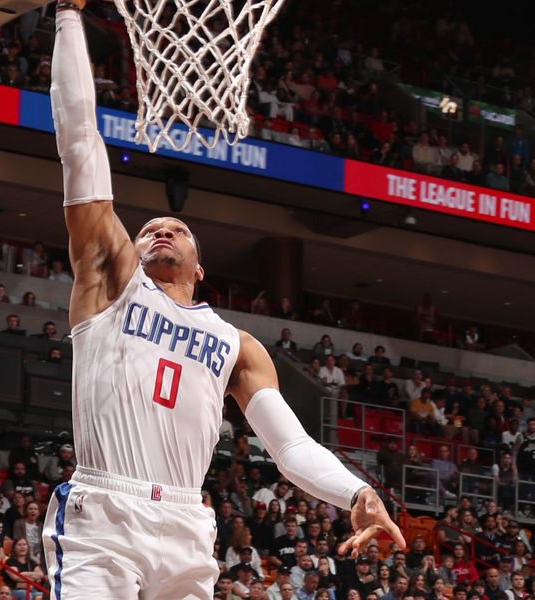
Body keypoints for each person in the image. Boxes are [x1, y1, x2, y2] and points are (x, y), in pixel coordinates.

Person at [42, 3, 404, 597]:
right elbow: (80, 143)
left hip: (187, 523)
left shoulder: (236, 345)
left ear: (201, 266)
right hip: (105, 508)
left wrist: (356, 493)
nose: (160, 230)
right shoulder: (111, 282)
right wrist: (67, 17)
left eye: (176, 229)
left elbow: (289, 446)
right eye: (148, 229)